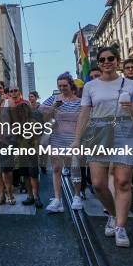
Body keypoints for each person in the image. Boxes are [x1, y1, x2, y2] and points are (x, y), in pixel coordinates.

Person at [73, 47, 133, 248]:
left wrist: (132, 109)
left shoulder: (131, 85)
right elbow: (85, 114)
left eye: (110, 58)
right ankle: (113, 214)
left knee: (122, 182)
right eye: (102, 59)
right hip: (98, 132)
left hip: (125, 131)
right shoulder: (90, 86)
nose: (106, 62)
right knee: (97, 183)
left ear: (117, 60)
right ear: (98, 62)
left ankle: (120, 227)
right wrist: (77, 140)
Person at [40, 73, 82, 212]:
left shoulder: (79, 101)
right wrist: (53, 108)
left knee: (74, 168)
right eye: (60, 86)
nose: (62, 88)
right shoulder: (54, 99)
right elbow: (41, 113)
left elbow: (84, 120)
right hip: (56, 137)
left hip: (73, 138)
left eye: (65, 85)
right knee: (57, 169)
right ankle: (57, 199)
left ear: (71, 85)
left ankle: (77, 196)